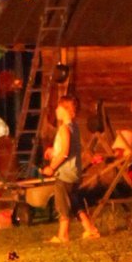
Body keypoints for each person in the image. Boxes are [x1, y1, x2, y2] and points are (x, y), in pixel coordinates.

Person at [44, 91, 83, 243]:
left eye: (58, 108)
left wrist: (52, 167)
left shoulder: (64, 129)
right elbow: (67, 148)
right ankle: (90, 229)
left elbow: (65, 153)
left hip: (65, 173)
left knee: (62, 204)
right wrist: (53, 151)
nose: (56, 110)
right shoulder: (74, 127)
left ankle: (63, 235)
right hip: (74, 171)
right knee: (73, 202)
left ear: (65, 110)